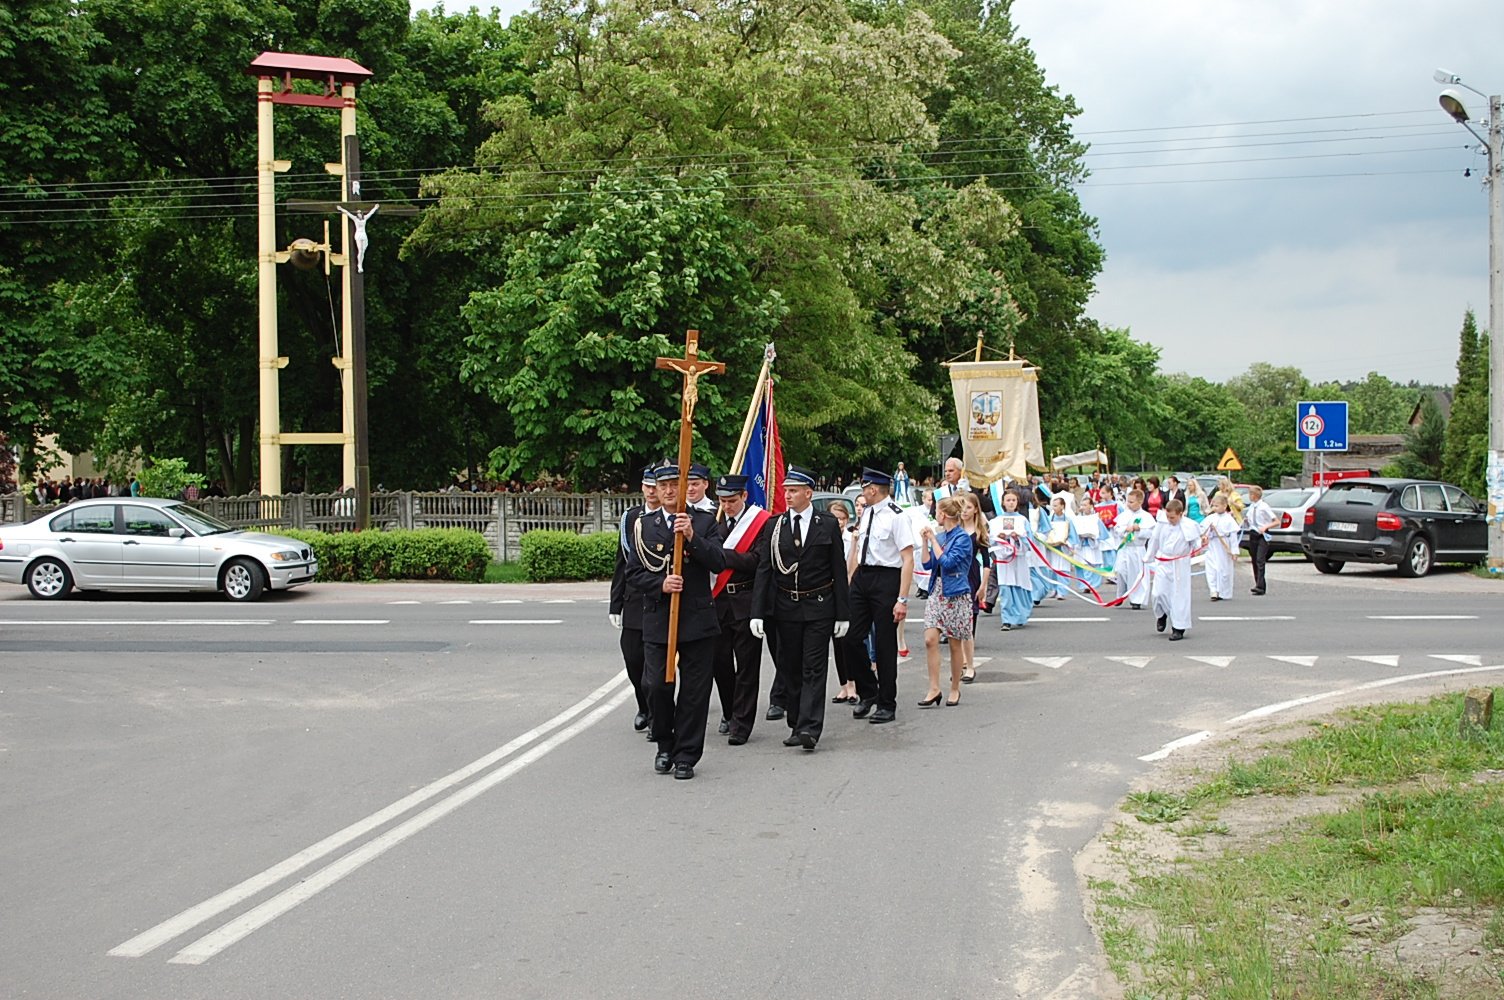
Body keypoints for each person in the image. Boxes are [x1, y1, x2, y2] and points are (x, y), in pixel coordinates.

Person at [623, 463, 726, 780]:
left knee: (695, 692)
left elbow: (719, 561)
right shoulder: (644, 525)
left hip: (696, 619)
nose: (669, 491)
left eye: (675, 485)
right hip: (659, 619)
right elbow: (633, 573)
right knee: (656, 686)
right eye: (663, 485)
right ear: (656, 489)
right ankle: (665, 745)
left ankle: (686, 755)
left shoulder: (705, 521)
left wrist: (692, 537)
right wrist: (661, 584)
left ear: (684, 488)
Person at [751, 466, 850, 751]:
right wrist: (757, 612)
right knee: (790, 667)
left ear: (808, 493)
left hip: (819, 605)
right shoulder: (775, 525)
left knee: (814, 668)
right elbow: (765, 570)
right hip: (786, 607)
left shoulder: (826, 524)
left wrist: (843, 614)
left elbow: (838, 569)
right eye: (786, 490)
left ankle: (809, 727)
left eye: (793, 491)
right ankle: (796, 722)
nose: (788, 495)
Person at [843, 467, 915, 725]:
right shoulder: (867, 513)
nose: (863, 491)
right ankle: (868, 690)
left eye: (864, 487)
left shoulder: (897, 516)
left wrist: (902, 599)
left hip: (886, 579)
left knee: (884, 644)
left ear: (873, 489)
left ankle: (886, 702)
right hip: (863, 577)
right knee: (850, 638)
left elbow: (908, 559)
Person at [709, 474, 775, 746]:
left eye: (732, 501)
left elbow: (757, 560)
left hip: (746, 601)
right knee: (719, 663)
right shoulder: (713, 523)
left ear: (744, 496)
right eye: (722, 501)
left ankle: (742, 724)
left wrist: (721, 555)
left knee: (747, 667)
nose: (727, 506)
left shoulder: (760, 523)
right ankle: (730, 711)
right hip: (718, 603)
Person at [609, 463, 662, 734]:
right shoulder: (631, 518)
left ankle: (656, 715)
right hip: (633, 599)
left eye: (656, 486)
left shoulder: (672, 517)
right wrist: (615, 603)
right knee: (632, 658)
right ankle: (644, 705)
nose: (651, 491)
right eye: (647, 486)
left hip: (660, 597)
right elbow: (622, 563)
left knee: (656, 666)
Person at [918, 496, 974, 707]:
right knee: (930, 639)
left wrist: (933, 540)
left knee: (954, 643)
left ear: (943, 514)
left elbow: (949, 563)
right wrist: (925, 541)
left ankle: (955, 688)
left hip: (956, 593)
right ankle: (934, 688)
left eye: (937, 512)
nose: (935, 515)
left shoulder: (962, 538)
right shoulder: (940, 536)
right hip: (938, 591)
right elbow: (927, 564)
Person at [1146, 498, 1201, 641]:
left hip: (1179, 564)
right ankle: (1161, 614)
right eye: (1168, 516)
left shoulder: (1189, 526)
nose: (1169, 520)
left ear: (1181, 514)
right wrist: (1148, 557)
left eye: (1172, 517)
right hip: (1163, 561)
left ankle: (1178, 627)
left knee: (1179, 595)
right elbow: (1154, 541)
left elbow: (1197, 543)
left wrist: (1201, 545)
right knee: (1158, 592)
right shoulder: (1162, 523)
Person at [828, 500, 860, 705]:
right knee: (837, 641)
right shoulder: (824, 537)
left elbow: (851, 567)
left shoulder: (851, 539)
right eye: (835, 518)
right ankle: (843, 685)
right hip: (829, 593)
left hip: (849, 591)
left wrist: (855, 544)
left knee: (849, 640)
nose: (839, 522)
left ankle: (853, 684)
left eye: (842, 518)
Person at [957, 492, 990, 683]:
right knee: (956, 620)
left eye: (968, 507)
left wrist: (983, 585)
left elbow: (987, 562)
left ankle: (968, 663)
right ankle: (960, 662)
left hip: (972, 576)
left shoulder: (979, 532)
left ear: (976, 510)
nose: (964, 511)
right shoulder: (954, 529)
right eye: (962, 507)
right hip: (955, 576)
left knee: (970, 619)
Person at [991, 489, 1034, 631]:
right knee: (1005, 588)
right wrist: (1000, 538)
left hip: (1019, 560)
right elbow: (991, 540)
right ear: (1003, 502)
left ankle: (1021, 615)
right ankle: (1007, 619)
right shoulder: (996, 521)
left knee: (1020, 585)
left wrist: (1017, 538)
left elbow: (1029, 541)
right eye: (1008, 500)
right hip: (1004, 561)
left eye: (1013, 500)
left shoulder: (1023, 520)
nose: (1011, 503)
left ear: (1017, 502)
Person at [1112, 488, 1154, 610]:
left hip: (1137, 549)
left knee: (1136, 574)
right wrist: (1125, 529)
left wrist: (1138, 529)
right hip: (1125, 548)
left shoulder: (1146, 516)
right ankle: (1121, 594)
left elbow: (1151, 533)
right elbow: (1117, 529)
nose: (1129, 504)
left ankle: (1136, 599)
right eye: (1128, 501)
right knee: (1121, 571)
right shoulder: (1124, 515)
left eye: (1131, 502)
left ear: (1140, 502)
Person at [1200, 493, 1240, 602]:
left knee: (1223, 570)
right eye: (1213, 506)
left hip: (1224, 546)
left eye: (1217, 506)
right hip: (1213, 545)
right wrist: (1205, 536)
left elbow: (1233, 538)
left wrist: (1234, 552)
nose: (1215, 508)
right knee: (1211, 568)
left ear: (1224, 506)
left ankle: (1223, 592)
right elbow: (1203, 531)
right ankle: (1213, 590)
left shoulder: (1229, 519)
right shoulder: (1211, 518)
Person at [1042, 494, 1080, 600]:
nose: (1054, 507)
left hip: (1062, 549)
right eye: (1053, 505)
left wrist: (1067, 543)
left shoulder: (1068, 520)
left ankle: (1062, 591)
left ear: (1062, 506)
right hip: (1051, 548)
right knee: (1051, 570)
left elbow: (1073, 536)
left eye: (1056, 505)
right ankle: (1053, 589)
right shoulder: (1049, 519)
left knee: (1062, 570)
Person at [1244, 485, 1277, 596]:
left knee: (1260, 559)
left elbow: (1276, 521)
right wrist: (1246, 521)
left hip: (1262, 534)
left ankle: (1260, 586)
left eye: (1250, 494)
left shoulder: (1263, 506)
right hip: (1253, 533)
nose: (1249, 496)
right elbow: (1250, 519)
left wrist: (1265, 527)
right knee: (1254, 559)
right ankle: (1258, 583)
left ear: (1254, 495)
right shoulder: (1252, 507)